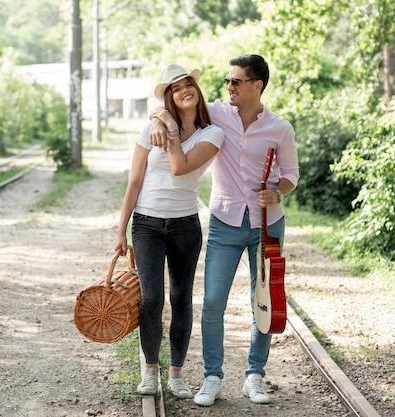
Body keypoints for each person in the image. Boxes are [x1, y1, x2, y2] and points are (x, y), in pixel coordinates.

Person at [150, 54, 299, 406]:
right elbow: (173, 104)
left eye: (236, 82)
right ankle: (212, 377)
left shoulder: (280, 128)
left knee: (262, 301)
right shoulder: (215, 113)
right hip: (224, 221)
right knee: (214, 302)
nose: (228, 87)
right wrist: (158, 117)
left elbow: (292, 174)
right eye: (227, 82)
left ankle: (255, 375)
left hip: (268, 224)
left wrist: (278, 191)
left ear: (256, 86)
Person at [115, 64, 224, 399]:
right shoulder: (149, 130)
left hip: (185, 225)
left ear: (197, 91)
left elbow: (179, 168)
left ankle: (175, 373)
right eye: (176, 88)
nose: (184, 90)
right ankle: (150, 371)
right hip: (147, 223)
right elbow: (134, 182)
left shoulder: (212, 135)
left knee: (180, 298)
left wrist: (170, 127)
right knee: (151, 299)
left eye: (189, 84)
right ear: (169, 97)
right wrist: (121, 230)